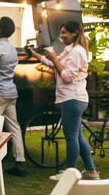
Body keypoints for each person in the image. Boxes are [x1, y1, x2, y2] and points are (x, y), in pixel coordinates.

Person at [27, 21, 100, 181]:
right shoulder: (70, 50)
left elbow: (67, 77)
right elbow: (53, 64)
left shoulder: (76, 52)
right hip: (73, 99)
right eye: (60, 32)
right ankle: (91, 172)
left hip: (72, 99)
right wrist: (35, 54)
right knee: (78, 137)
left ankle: (69, 175)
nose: (61, 36)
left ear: (75, 33)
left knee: (71, 137)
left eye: (64, 32)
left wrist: (54, 57)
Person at [0, 16, 27, 177]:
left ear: (0, 30)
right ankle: (20, 162)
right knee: (15, 128)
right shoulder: (12, 49)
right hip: (11, 92)